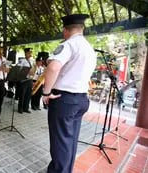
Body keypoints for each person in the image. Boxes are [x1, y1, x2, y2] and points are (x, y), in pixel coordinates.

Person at [42, 14, 97, 173]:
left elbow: (53, 67)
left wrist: (46, 92)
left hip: (64, 100)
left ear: (65, 30)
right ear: (82, 28)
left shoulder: (69, 44)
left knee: (60, 142)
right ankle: (66, 170)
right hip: (81, 99)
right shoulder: (89, 48)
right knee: (70, 140)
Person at [17, 48, 35, 114]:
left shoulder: (32, 61)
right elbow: (18, 69)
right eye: (29, 53)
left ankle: (26, 108)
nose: (30, 54)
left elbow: (33, 69)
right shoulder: (22, 60)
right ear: (26, 53)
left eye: (31, 53)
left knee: (28, 94)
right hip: (24, 80)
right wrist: (27, 72)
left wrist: (33, 73)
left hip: (30, 79)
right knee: (22, 95)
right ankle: (20, 108)